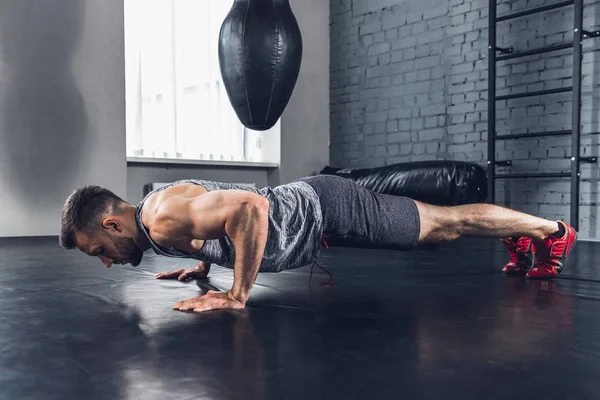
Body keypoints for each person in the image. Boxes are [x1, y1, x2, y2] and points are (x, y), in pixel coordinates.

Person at [59, 175, 577, 313]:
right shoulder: (153, 221)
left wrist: (237, 294)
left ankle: (552, 232)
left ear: (110, 226)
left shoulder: (162, 215)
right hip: (318, 211)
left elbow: (250, 208)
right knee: (444, 227)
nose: (106, 264)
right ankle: (527, 235)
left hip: (327, 208)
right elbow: (215, 224)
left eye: (98, 252)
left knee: (448, 224)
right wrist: (201, 265)